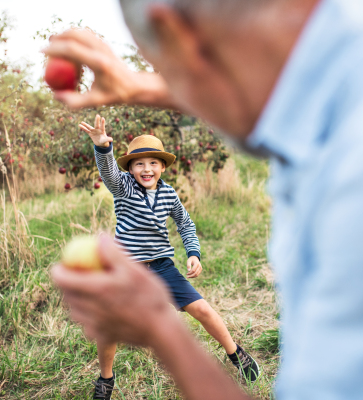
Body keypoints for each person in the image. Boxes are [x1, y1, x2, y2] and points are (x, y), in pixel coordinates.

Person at [47, 0, 363, 398]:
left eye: (168, 67)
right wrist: (141, 87)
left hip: (162, 267)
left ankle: (233, 354)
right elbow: (275, 100)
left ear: (178, 33)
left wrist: (161, 332)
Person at [77, 115, 260, 399]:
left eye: (153, 163)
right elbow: (109, 174)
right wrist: (103, 147)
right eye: (139, 163)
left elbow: (185, 223)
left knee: (202, 310)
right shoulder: (123, 187)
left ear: (163, 166)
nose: (146, 168)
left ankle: (237, 354)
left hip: (162, 266)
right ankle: (106, 379)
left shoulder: (169, 194)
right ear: (131, 169)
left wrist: (194, 253)